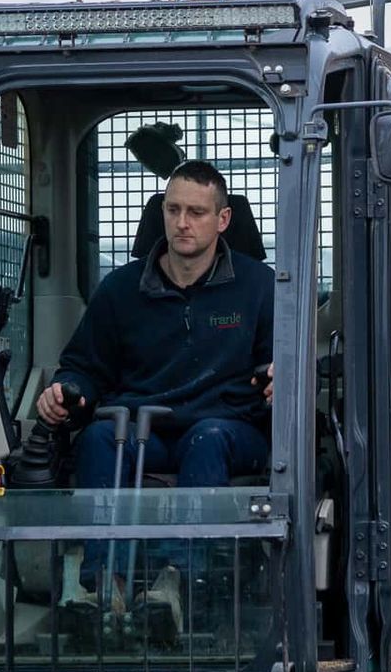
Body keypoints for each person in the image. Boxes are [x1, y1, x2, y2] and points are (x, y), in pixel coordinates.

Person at [34, 159, 273, 612]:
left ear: (223, 220)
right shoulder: (120, 291)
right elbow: (86, 366)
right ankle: (104, 587)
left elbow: (281, 361)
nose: (182, 223)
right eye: (172, 209)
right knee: (103, 437)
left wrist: (283, 374)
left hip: (230, 428)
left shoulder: (260, 287)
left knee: (209, 439)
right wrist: (66, 390)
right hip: (145, 429)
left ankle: (175, 583)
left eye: (197, 213)